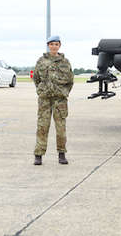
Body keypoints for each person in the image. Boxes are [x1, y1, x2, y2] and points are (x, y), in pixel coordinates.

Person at [33, 35, 74, 166]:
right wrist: (41, 90)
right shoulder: (41, 61)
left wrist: (65, 92)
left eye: (56, 44)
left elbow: (70, 80)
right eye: (52, 44)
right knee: (42, 126)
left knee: (61, 127)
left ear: (59, 46)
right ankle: (38, 155)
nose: (54, 46)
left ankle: (62, 154)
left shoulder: (65, 62)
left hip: (60, 100)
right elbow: (37, 79)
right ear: (48, 45)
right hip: (45, 99)